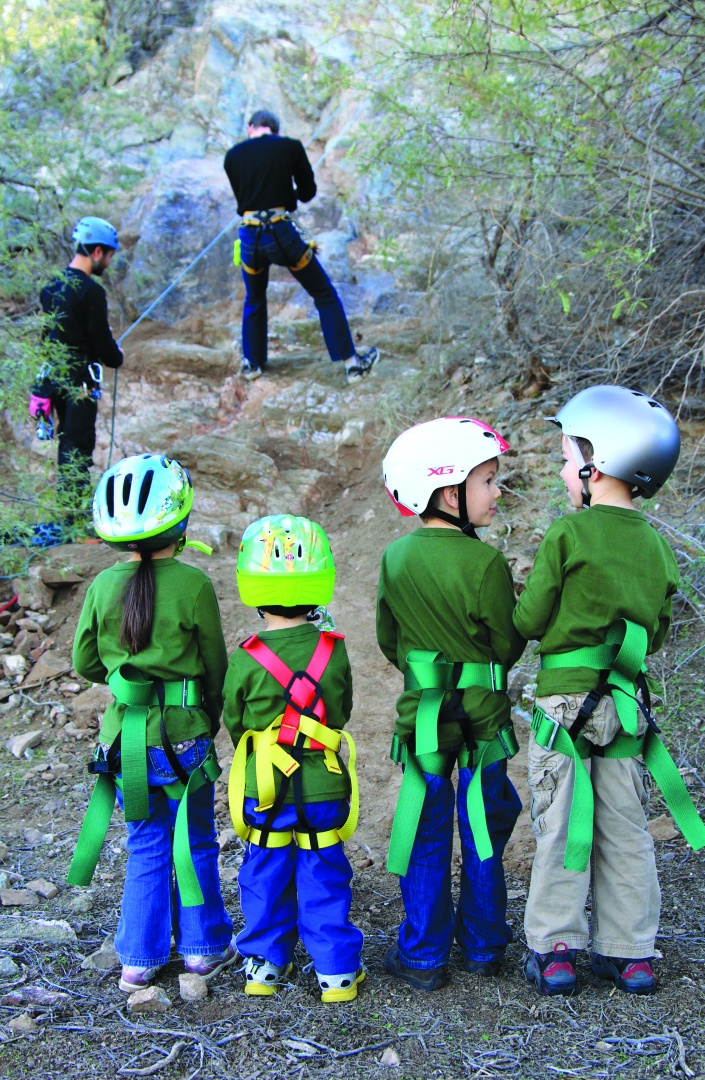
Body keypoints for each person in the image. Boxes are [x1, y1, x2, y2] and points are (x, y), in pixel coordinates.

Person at [514, 385, 705, 998]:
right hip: (625, 711)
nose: (562, 469)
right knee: (625, 828)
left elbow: (529, 622)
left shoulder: (568, 536)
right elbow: (656, 634)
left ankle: (557, 950)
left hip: (564, 707)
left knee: (561, 822)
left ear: (597, 465)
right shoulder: (656, 545)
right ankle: (631, 953)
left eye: (566, 457)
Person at [69, 453, 236, 993]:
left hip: (124, 741)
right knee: (195, 840)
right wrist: (210, 718)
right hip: (183, 738)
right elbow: (216, 667)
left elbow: (85, 664)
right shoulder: (193, 585)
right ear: (181, 520)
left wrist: (125, 680)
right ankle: (202, 950)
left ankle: (138, 959)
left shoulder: (100, 588)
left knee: (146, 843)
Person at [377, 416, 525, 991]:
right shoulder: (485, 563)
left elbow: (390, 641)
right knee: (483, 826)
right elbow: (507, 644)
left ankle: (422, 956)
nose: (496, 493)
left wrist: (428, 671)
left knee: (425, 831)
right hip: (484, 720)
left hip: (425, 721)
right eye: (487, 481)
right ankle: (485, 946)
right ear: (448, 491)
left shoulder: (395, 560)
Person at [223, 514, 364, 1002]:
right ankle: (336, 972)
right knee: (323, 868)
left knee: (263, 868)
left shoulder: (246, 655)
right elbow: (340, 712)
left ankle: (263, 966)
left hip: (265, 787)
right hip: (324, 784)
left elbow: (235, 722)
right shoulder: (333, 649)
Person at [223, 109, 379, 385]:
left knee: (254, 297)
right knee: (324, 293)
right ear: (276, 130)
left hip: (249, 235)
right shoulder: (290, 147)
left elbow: (245, 196)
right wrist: (286, 194)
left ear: (251, 128)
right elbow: (307, 192)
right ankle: (352, 365)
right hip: (281, 232)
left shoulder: (232, 156)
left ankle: (252, 363)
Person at [31, 217, 125, 517]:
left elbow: (48, 337)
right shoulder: (91, 291)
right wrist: (116, 357)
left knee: (67, 440)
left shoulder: (51, 287)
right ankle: (73, 517)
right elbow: (102, 342)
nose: (108, 263)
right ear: (97, 252)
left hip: (56, 379)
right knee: (78, 445)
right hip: (81, 383)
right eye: (108, 256)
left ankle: (70, 511)